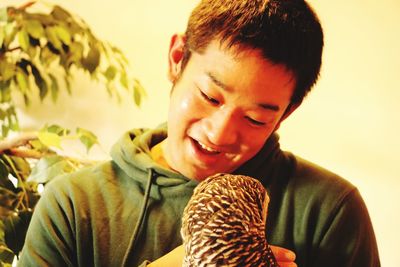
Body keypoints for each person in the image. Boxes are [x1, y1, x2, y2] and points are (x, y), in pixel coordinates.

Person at [18, 0, 380, 266]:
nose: (220, 134)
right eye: (209, 96)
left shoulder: (329, 209)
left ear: (286, 113)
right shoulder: (73, 205)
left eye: (255, 118)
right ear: (177, 58)